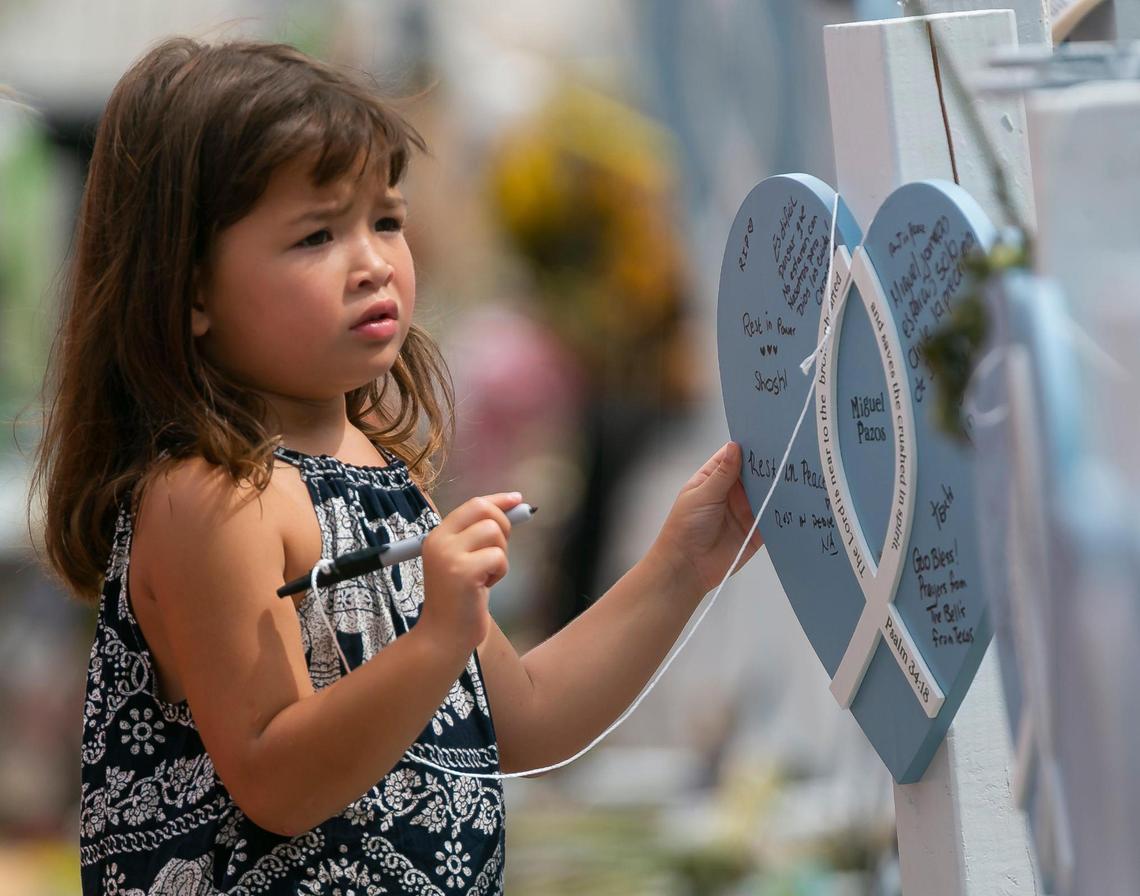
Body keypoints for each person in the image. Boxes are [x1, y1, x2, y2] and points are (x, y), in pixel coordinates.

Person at [32, 38, 762, 895]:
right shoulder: (214, 496)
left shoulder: (374, 469)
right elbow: (275, 780)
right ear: (191, 291)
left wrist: (684, 565)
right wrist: (436, 640)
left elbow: (523, 715)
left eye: (385, 220)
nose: (373, 261)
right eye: (315, 235)